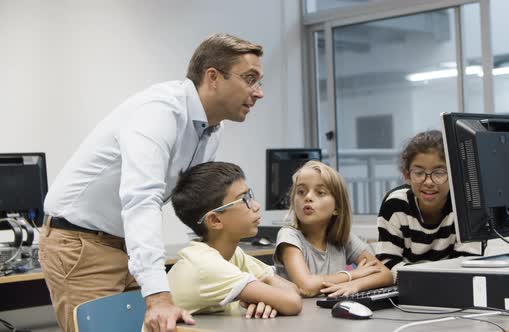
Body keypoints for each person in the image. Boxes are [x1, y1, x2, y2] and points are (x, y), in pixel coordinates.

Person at [39, 33, 264, 332]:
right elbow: (141, 201)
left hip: (126, 243)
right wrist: (158, 297)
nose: (258, 92)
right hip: (80, 243)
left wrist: (237, 285)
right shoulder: (159, 112)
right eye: (250, 79)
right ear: (213, 77)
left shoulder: (211, 129)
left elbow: (196, 203)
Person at [167, 161, 302, 319]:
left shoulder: (233, 254)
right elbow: (292, 302)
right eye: (244, 199)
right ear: (215, 220)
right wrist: (268, 294)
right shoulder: (205, 266)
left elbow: (292, 289)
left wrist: (265, 299)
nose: (256, 206)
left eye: (250, 195)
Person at [373, 130, 483, 283]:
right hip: (406, 289)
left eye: (439, 173)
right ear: (406, 175)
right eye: (418, 172)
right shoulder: (395, 204)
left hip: (453, 287)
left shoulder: (467, 206)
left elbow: (468, 263)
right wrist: (425, 281)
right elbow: (387, 262)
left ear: (453, 174)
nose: (428, 182)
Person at [273, 160, 393, 298]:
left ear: (337, 208)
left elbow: (385, 274)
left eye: (320, 193)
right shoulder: (289, 236)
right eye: (301, 191)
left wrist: (354, 285)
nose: (308, 197)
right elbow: (306, 287)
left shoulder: (343, 238)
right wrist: (352, 275)